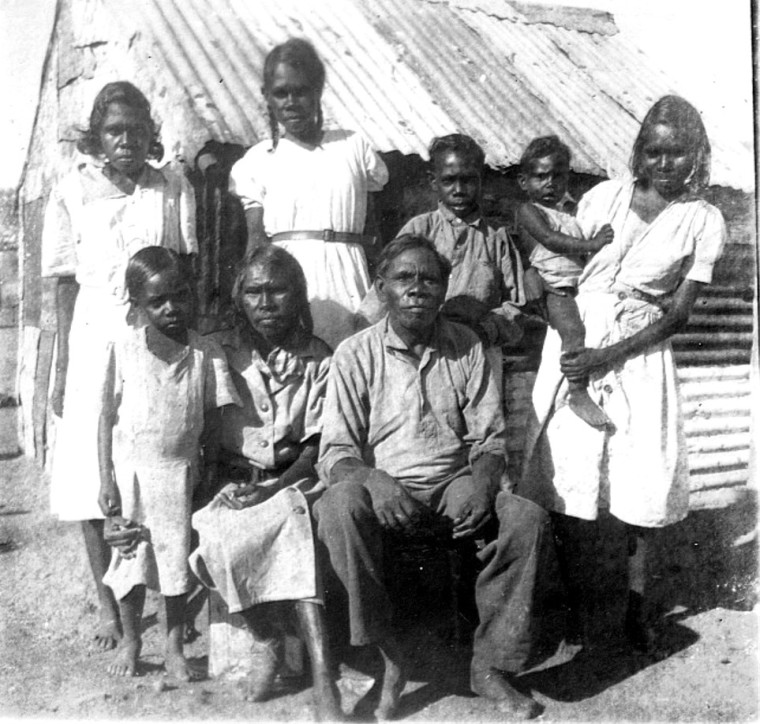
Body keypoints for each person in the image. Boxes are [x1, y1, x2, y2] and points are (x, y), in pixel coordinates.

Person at [520, 96, 727, 652]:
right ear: (639, 150)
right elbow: (555, 265)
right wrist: (576, 343)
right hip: (575, 339)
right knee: (567, 473)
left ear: (695, 156)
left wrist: (612, 354)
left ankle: (636, 610)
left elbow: (680, 312)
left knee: (639, 483)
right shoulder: (602, 196)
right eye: (654, 151)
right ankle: (560, 607)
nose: (664, 163)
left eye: (676, 152)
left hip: (640, 352)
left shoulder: (704, 220)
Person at [315, 236, 549, 720]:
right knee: (337, 507)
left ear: (444, 290)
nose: (417, 289)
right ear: (381, 288)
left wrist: (483, 480)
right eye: (404, 278)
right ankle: (390, 655)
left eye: (429, 279)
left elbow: (490, 438)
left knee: (524, 519)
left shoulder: (466, 347)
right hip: (382, 486)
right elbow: (335, 452)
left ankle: (490, 666)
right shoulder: (354, 354)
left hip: (452, 485)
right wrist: (376, 482)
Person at [41, 81, 198, 650]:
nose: (126, 141)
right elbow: (61, 285)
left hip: (157, 337)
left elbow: (185, 267)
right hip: (91, 336)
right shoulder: (72, 190)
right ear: (97, 138)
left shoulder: (171, 186)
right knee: (91, 475)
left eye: (136, 129)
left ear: (150, 133)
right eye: (114, 131)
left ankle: (167, 598)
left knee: (154, 465)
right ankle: (110, 606)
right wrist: (59, 369)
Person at [188, 246, 342, 720]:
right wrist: (223, 487)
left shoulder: (320, 359)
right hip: (237, 478)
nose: (266, 302)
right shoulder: (219, 352)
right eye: (254, 292)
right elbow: (211, 433)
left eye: (278, 291)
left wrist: (275, 489)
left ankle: (323, 680)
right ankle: (266, 637)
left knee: (293, 526)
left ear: (298, 297)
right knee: (210, 532)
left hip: (296, 480)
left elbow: (317, 447)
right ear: (241, 299)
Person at [97, 247, 239, 680]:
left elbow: (214, 421)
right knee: (131, 562)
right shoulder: (123, 349)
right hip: (133, 475)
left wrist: (208, 472)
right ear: (137, 304)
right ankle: (132, 639)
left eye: (179, 296)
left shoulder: (205, 354)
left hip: (180, 476)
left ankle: (175, 645)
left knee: (175, 565)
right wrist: (106, 479)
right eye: (157, 301)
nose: (171, 308)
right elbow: (105, 416)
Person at [229, 37, 389, 349]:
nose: (291, 102)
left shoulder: (352, 146)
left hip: (349, 276)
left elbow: (376, 229)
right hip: (288, 283)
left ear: (317, 90)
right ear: (267, 97)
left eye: (300, 91)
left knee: (353, 366)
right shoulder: (259, 159)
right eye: (281, 93)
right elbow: (256, 243)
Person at [357, 133, 527, 389]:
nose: (459, 190)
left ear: (481, 180)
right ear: (433, 182)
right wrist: (361, 338)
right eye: (449, 181)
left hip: (477, 352)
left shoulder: (497, 238)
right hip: (419, 352)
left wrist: (483, 332)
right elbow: (384, 294)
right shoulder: (419, 229)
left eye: (468, 180)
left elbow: (516, 307)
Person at [516, 135, 615, 429]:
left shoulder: (569, 213)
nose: (550, 183)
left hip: (577, 288)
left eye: (557, 175)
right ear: (523, 181)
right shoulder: (529, 211)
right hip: (552, 288)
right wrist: (593, 244)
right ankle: (577, 392)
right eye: (540, 176)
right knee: (573, 333)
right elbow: (550, 240)